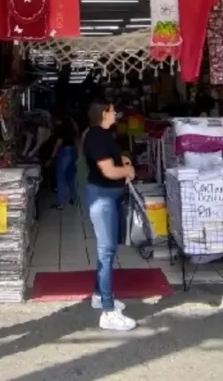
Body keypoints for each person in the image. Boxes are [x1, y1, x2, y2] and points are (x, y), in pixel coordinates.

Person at [82, 98, 137, 331]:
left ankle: (99, 295)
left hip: (108, 197)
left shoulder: (105, 135)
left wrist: (122, 159)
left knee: (109, 250)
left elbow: (113, 160)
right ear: (104, 113)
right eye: (113, 110)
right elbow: (108, 171)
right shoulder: (96, 137)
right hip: (102, 198)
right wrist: (127, 170)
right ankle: (108, 311)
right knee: (106, 252)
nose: (116, 113)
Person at [50, 114, 79, 209]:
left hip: (64, 152)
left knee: (60, 178)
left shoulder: (60, 128)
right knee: (70, 177)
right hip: (73, 151)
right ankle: (74, 198)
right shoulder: (71, 128)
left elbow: (59, 142)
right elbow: (77, 132)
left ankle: (60, 203)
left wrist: (52, 155)